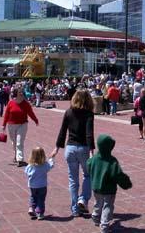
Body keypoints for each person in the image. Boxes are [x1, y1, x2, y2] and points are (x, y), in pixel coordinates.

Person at [51, 89, 95, 217]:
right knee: (88, 175)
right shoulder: (89, 114)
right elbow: (89, 133)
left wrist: (57, 148)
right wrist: (91, 150)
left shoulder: (68, 112)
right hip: (83, 148)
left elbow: (62, 131)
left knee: (73, 180)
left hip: (70, 148)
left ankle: (75, 209)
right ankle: (83, 199)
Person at [87, 134, 132, 233]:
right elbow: (119, 174)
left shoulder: (94, 159)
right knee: (107, 206)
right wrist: (127, 183)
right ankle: (104, 225)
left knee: (98, 203)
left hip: (96, 187)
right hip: (109, 189)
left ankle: (95, 215)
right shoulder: (112, 161)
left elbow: (88, 165)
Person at [2, 87, 39, 167]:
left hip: (22, 124)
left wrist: (35, 120)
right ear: (16, 93)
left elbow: (30, 113)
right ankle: (16, 156)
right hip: (11, 125)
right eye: (20, 92)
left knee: (19, 142)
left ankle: (20, 160)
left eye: (22, 92)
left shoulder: (26, 103)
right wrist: (4, 124)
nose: (21, 93)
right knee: (14, 142)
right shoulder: (11, 103)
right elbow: (6, 114)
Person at [25, 147, 54, 220]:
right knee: (41, 198)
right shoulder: (45, 165)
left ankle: (31, 208)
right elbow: (51, 166)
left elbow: (26, 172)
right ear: (43, 155)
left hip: (32, 185)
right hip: (42, 185)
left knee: (33, 197)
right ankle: (40, 213)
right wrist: (51, 159)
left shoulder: (30, 165)